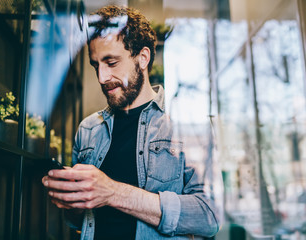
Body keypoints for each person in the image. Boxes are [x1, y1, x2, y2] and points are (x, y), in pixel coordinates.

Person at [42, 5, 219, 240]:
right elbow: (79, 221)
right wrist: (72, 201)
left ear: (143, 58)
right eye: (96, 65)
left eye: (111, 63)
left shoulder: (184, 125)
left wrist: (112, 192)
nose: (102, 78)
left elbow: (209, 216)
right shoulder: (87, 129)